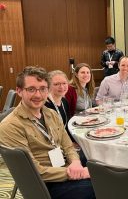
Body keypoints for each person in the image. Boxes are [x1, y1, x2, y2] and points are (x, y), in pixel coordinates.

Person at [0, 66, 95, 199]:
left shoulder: (51, 113)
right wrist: (76, 173)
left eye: (43, 88)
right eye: (31, 89)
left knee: (96, 158)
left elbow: (67, 145)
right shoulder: (10, 126)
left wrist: (75, 163)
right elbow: (34, 171)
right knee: (102, 185)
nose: (38, 95)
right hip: (45, 185)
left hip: (63, 166)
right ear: (19, 91)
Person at [45, 70, 87, 166]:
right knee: (85, 157)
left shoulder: (64, 101)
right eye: (56, 84)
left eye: (64, 83)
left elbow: (66, 125)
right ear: (49, 86)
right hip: (52, 149)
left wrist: (72, 142)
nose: (62, 87)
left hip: (65, 144)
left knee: (88, 152)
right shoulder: (46, 106)